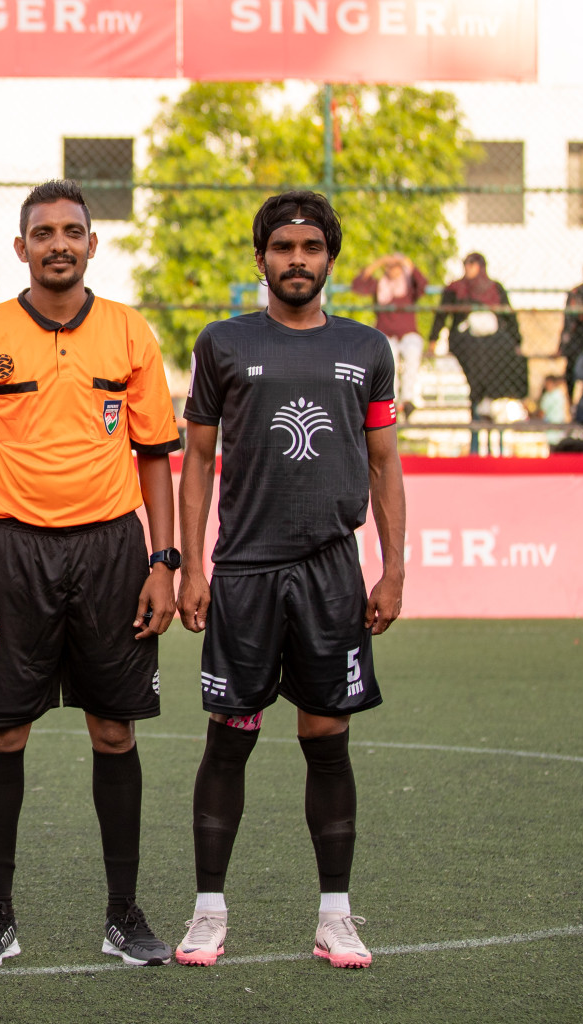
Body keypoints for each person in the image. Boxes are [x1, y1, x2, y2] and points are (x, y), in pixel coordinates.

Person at [0, 180, 181, 970]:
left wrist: (163, 560)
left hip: (112, 551)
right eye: (42, 232)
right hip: (13, 552)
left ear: (91, 243)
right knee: (3, 730)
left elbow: (155, 457)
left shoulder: (128, 332)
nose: (58, 244)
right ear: (21, 248)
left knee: (114, 729)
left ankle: (123, 913)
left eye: (71, 230)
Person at [174, 191, 405, 971]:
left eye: (311, 247)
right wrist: (192, 563)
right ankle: (209, 912)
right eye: (283, 247)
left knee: (326, 739)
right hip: (242, 572)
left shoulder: (369, 348)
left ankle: (335, 915)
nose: (297, 260)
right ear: (261, 257)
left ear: (329, 257)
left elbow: (383, 464)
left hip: (333, 572)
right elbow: (198, 461)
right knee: (230, 739)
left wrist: (393, 566)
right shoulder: (223, 344)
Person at [429, 252, 524, 419]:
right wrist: (433, 339)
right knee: (476, 353)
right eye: (466, 264)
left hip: (492, 337)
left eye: (472, 264)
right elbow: (441, 315)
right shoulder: (455, 288)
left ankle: (491, 398)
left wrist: (517, 341)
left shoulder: (494, 288)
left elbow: (510, 317)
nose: (468, 268)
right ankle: (479, 397)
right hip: (465, 336)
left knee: (500, 349)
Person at [351, 253, 427, 410]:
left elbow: (422, 284)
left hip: (408, 333)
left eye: (396, 267)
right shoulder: (381, 285)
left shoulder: (408, 285)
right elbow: (358, 284)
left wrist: (406, 262)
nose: (392, 270)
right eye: (389, 267)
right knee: (388, 356)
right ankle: (392, 400)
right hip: (385, 332)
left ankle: (408, 399)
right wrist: (380, 261)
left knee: (413, 352)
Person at [559, 265, 583, 408]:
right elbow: (568, 322)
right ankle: (572, 405)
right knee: (572, 370)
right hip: (578, 337)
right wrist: (561, 345)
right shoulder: (577, 292)